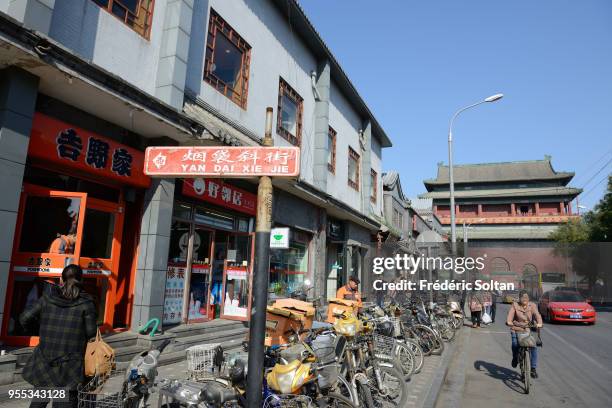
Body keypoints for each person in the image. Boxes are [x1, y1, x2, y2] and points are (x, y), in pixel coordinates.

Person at [20, 264, 97, 408]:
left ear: (61, 279)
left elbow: (24, 318)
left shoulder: (46, 299)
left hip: (45, 359)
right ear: (81, 280)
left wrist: (42, 329)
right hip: (71, 365)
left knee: (38, 402)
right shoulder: (86, 304)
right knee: (64, 403)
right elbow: (91, 333)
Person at [506, 290, 543, 379]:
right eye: (523, 297)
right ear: (520, 298)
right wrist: (509, 322)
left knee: (533, 347)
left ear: (528, 298)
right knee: (515, 344)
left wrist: (539, 323)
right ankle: (515, 358)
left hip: (528, 329)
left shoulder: (532, 305)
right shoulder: (515, 305)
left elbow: (538, 315)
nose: (524, 299)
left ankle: (533, 369)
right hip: (516, 329)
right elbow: (510, 316)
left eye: (526, 297)